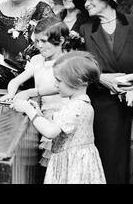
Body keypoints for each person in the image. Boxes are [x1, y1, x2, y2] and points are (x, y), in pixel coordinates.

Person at [11, 51, 106, 184]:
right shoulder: (81, 103)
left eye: (59, 81)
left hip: (72, 167)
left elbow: (50, 132)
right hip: (76, 163)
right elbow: (59, 126)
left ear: (78, 82)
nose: (55, 85)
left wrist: (28, 110)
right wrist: (36, 111)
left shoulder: (75, 107)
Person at [73, 0, 133, 184]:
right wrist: (100, 78)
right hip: (104, 106)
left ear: (107, 0)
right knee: (109, 158)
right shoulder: (86, 30)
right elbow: (79, 67)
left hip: (132, 100)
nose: (86, 4)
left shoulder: (131, 23)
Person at [0, 17, 70, 167]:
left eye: (44, 41)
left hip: (62, 117)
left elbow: (58, 87)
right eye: (37, 41)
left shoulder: (67, 61)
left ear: (61, 40)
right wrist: (11, 94)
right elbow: (16, 81)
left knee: (61, 161)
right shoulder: (37, 60)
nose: (39, 46)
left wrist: (31, 92)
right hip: (42, 115)